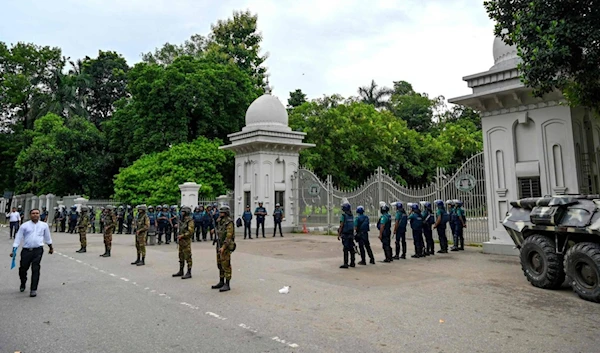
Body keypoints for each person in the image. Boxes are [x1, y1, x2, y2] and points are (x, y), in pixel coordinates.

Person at [10, 208, 54, 297]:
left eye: (37, 213)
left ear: (39, 215)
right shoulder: (24, 226)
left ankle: (33, 289)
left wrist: (50, 247)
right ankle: (23, 282)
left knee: (36, 268)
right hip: (26, 250)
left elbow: (47, 237)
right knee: (23, 269)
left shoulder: (44, 225)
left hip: (38, 250)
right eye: (33, 213)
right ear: (30, 215)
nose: (35, 215)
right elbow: (18, 238)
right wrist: (14, 249)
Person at [211, 205, 236, 292]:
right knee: (219, 264)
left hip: (225, 246)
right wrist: (214, 230)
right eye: (220, 212)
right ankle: (221, 281)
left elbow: (229, 236)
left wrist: (223, 247)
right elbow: (220, 230)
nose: (220, 214)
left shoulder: (229, 223)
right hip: (219, 244)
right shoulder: (220, 221)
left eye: (222, 212)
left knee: (226, 264)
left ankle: (227, 283)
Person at [172, 206, 194, 279]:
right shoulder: (182, 220)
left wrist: (183, 235)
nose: (182, 213)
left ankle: (189, 272)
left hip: (186, 241)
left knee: (188, 256)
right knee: (181, 256)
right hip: (181, 241)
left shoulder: (189, 221)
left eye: (183, 212)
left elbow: (190, 232)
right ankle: (181, 270)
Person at [337, 202, 356, 268]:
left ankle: (345, 263)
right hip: (351, 234)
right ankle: (353, 262)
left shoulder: (344, 216)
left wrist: (339, 234)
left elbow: (341, 225)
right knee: (351, 249)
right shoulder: (351, 215)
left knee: (345, 249)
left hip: (345, 234)